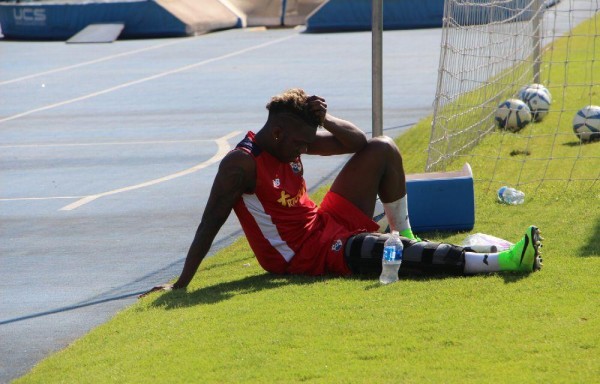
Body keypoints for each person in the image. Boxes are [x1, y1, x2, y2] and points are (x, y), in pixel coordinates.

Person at [141, 88, 542, 297]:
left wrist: (324, 118)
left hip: (325, 222)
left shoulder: (289, 138)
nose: (305, 148)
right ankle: (506, 262)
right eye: (301, 143)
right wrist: (182, 283)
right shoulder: (240, 165)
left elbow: (358, 141)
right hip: (303, 255)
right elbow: (209, 222)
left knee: (382, 147)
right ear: (278, 133)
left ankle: (407, 232)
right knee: (388, 253)